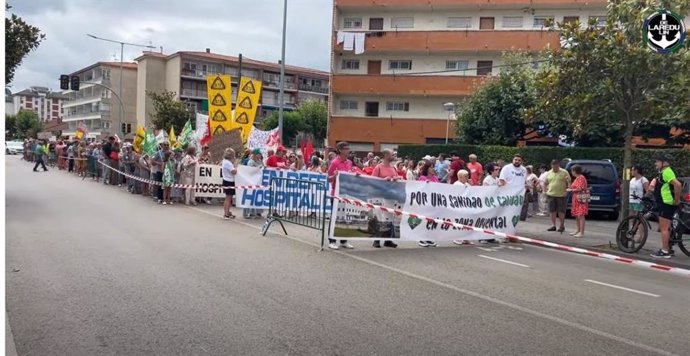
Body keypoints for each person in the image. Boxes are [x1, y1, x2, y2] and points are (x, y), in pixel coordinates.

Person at [650, 155, 682, 259]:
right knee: (667, 227)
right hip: (665, 203)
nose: (656, 163)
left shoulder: (667, 172)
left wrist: (676, 200)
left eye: (657, 161)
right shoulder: (664, 172)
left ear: (664, 163)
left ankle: (665, 251)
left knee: (664, 228)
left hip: (666, 203)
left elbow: (678, 185)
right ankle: (668, 248)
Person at [327, 142, 356, 250]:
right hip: (336, 194)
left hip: (346, 193)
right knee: (335, 217)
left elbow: (350, 175)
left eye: (349, 148)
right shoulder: (334, 162)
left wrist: (355, 174)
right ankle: (332, 240)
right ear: (340, 150)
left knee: (345, 217)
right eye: (346, 148)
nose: (348, 150)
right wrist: (334, 176)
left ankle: (343, 240)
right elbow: (328, 178)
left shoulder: (349, 162)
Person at [370, 149, 400, 249]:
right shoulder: (378, 167)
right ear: (386, 155)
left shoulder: (393, 168)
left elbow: (396, 180)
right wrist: (383, 180)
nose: (394, 156)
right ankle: (376, 240)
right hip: (380, 196)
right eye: (392, 154)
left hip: (391, 197)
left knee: (390, 218)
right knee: (380, 218)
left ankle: (388, 240)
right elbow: (372, 181)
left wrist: (397, 179)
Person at [544, 159, 571, 233]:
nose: (554, 168)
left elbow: (569, 182)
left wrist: (567, 191)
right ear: (551, 166)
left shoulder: (564, 172)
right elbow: (545, 183)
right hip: (551, 194)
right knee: (552, 211)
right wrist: (545, 191)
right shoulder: (549, 172)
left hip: (561, 195)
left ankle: (562, 225)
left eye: (556, 167)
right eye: (553, 167)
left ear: (558, 165)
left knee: (561, 211)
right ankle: (553, 225)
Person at [417, 162, 438, 247]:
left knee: (431, 220)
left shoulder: (435, 178)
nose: (433, 169)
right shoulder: (422, 178)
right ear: (427, 168)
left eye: (433, 167)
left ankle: (428, 238)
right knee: (424, 220)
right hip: (425, 202)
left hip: (433, 202)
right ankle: (421, 239)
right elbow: (419, 189)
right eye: (431, 167)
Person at [567, 165, 589, 237]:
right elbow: (571, 187)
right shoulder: (577, 178)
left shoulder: (581, 178)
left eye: (572, 171)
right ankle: (578, 230)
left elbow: (581, 188)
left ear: (575, 171)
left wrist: (571, 190)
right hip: (576, 199)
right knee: (576, 215)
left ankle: (581, 232)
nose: (571, 172)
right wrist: (568, 182)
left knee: (581, 215)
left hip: (580, 199)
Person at [244, 149, 264, 218]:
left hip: (258, 181)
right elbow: (250, 171)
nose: (260, 155)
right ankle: (247, 213)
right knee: (249, 197)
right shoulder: (251, 162)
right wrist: (258, 168)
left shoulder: (260, 161)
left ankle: (256, 212)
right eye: (258, 154)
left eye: (260, 154)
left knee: (257, 197)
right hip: (251, 181)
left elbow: (262, 168)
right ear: (255, 154)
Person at [221, 148, 238, 219]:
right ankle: (226, 213)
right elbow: (233, 172)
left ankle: (228, 211)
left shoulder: (226, 161)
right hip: (229, 181)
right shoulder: (227, 163)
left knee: (229, 197)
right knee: (228, 198)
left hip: (227, 180)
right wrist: (236, 166)